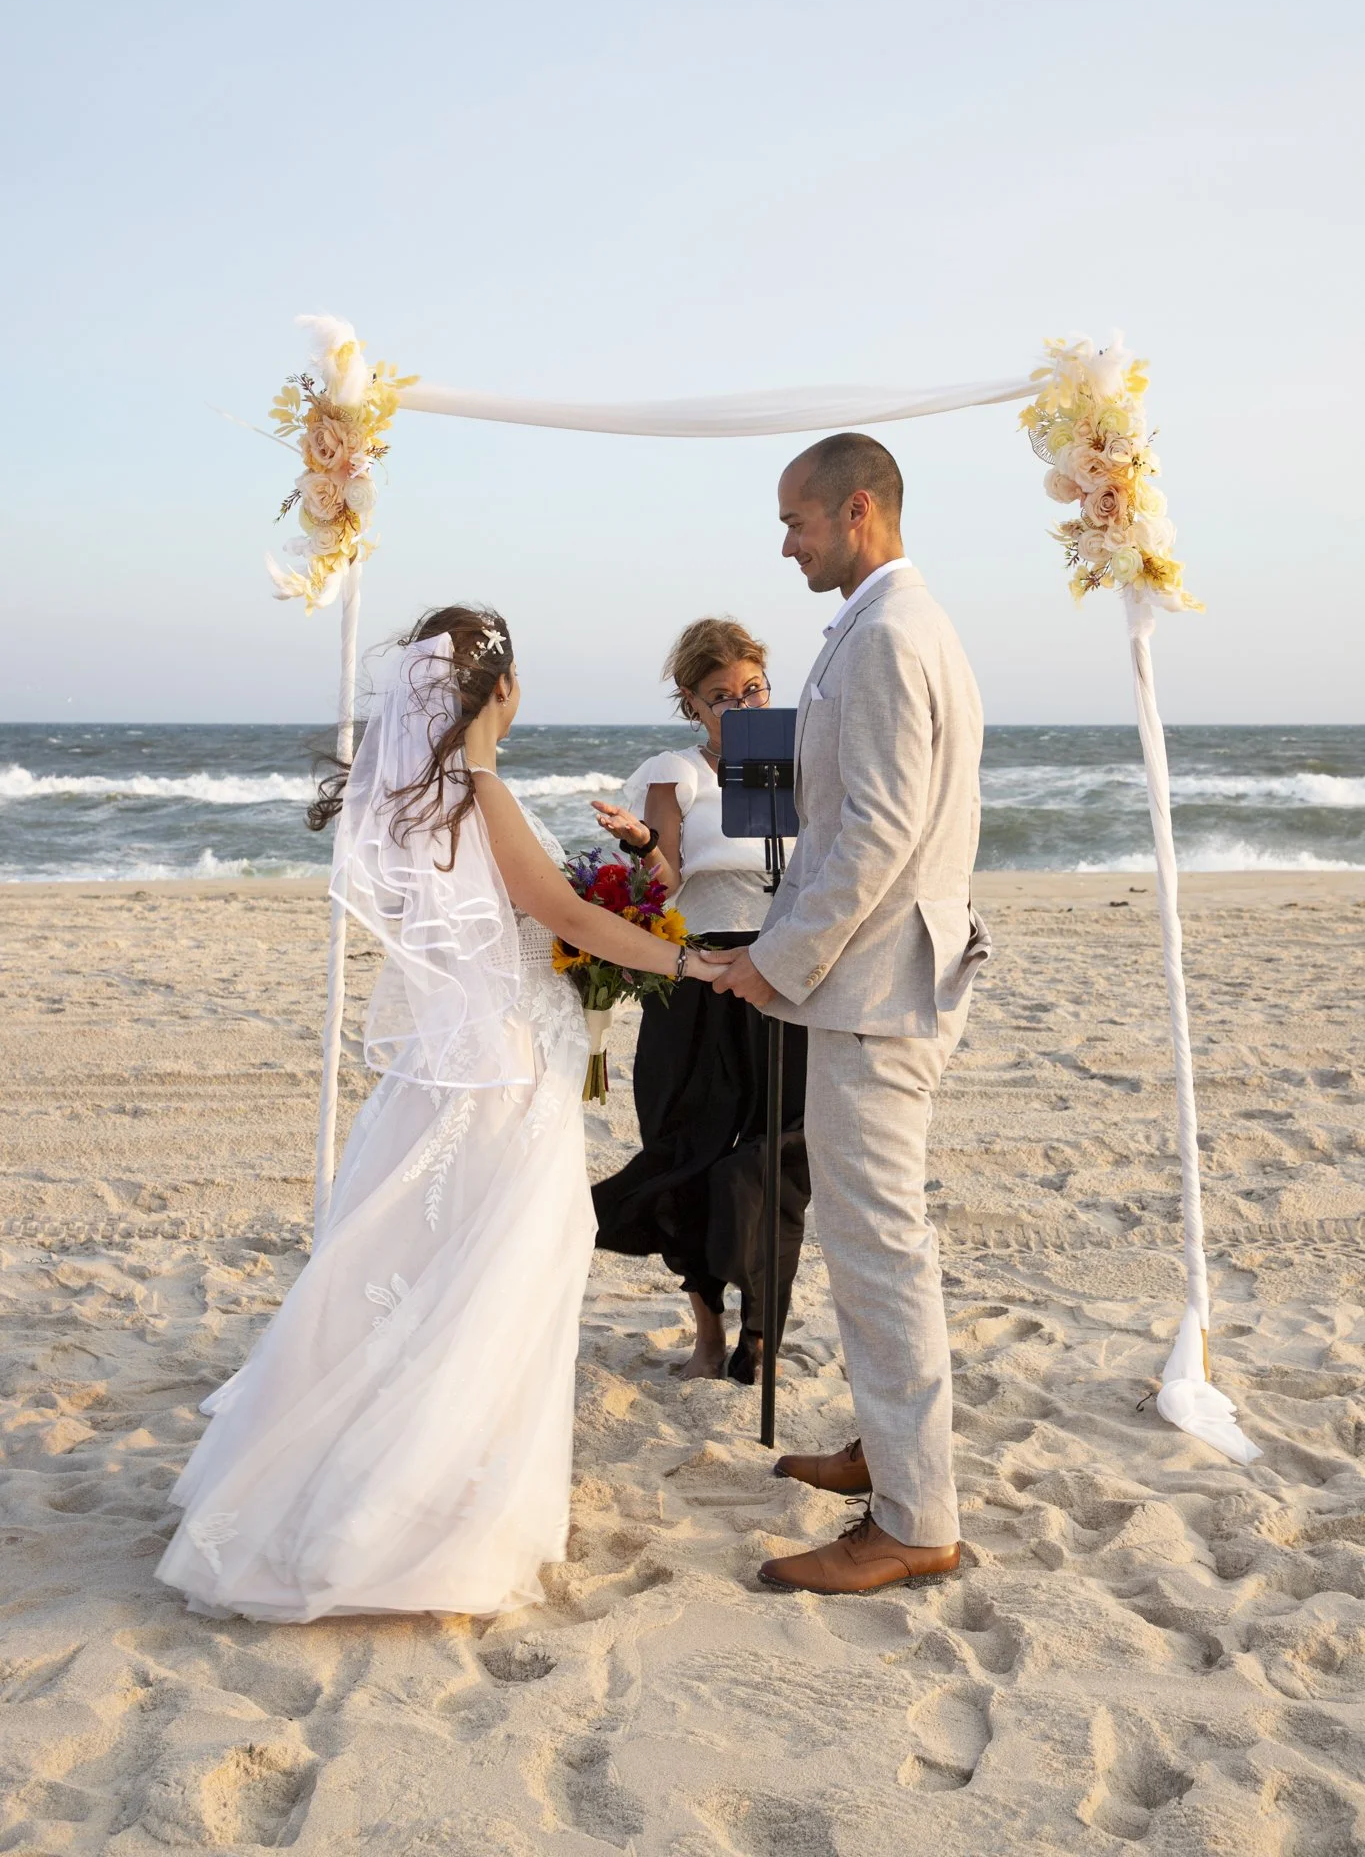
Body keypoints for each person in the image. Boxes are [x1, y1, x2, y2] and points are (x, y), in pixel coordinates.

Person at [157, 605, 720, 1622]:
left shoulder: (422, 801)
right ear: (499, 689)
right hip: (505, 1074)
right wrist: (694, 960)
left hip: (448, 1067)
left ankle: (395, 1473)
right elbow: (565, 915)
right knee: (495, 1275)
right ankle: (429, 1506)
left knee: (428, 1268)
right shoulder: (483, 790)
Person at [710, 434, 992, 1596]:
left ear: (857, 509)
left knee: (878, 1244)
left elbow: (873, 831)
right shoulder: (893, 624)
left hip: (878, 987)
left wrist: (776, 962)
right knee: (871, 1234)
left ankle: (916, 1515)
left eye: (799, 522)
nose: (786, 543)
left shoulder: (884, 635)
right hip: (886, 979)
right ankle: (892, 1445)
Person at [590, 620, 809, 1383]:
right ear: (691, 704)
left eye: (754, 689)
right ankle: (709, 1333)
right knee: (688, 1153)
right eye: (721, 697)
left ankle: (762, 1339)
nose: (741, 706)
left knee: (774, 1163)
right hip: (698, 983)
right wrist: (643, 845)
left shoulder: (793, 762)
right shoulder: (674, 773)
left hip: (782, 974)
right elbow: (666, 888)